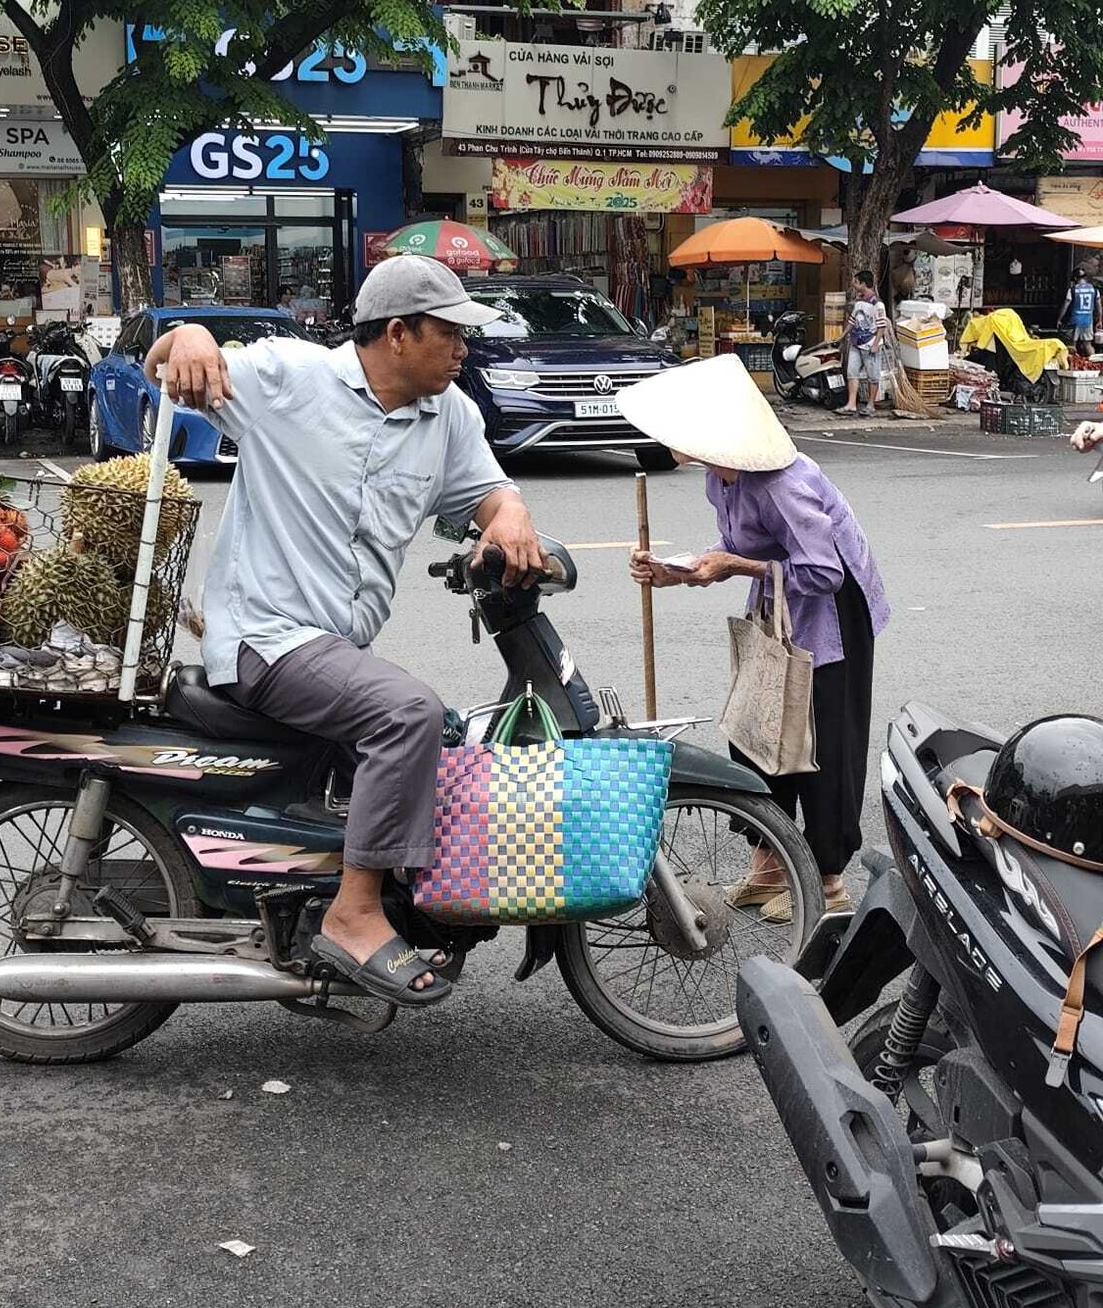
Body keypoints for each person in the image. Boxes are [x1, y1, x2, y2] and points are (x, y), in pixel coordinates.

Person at [145, 256, 544, 1010]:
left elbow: (485, 492)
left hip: (333, 648)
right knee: (406, 713)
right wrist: (188, 333)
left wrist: (510, 513)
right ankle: (353, 913)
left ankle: (321, 892)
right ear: (399, 333)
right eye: (451, 333)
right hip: (266, 637)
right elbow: (163, 363)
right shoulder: (288, 378)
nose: (464, 349)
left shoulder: (448, 414)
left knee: (447, 731)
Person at [622, 354, 890, 919]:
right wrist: (676, 572)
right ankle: (769, 868)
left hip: (831, 611)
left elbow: (822, 573)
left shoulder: (785, 483)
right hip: (778, 604)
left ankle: (827, 882)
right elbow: (739, 552)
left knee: (819, 744)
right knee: (758, 733)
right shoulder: (723, 477)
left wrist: (734, 567)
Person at [838, 268, 888, 418]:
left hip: (870, 342)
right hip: (855, 341)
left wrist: (875, 344)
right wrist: (843, 335)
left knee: (873, 375)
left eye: (856, 281)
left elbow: (881, 326)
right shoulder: (859, 301)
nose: (853, 284)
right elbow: (852, 321)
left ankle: (871, 404)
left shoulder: (877, 304)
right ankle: (851, 404)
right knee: (852, 372)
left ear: (863, 283)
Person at [1058, 261, 1102, 354]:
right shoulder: (1094, 290)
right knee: (1088, 345)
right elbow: (1099, 306)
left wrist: (1059, 319)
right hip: (1088, 321)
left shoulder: (1073, 290)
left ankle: (1072, 365)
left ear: (1075, 278)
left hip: (1075, 321)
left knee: (1072, 345)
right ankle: (1095, 364)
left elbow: (1066, 305)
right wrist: (1100, 320)